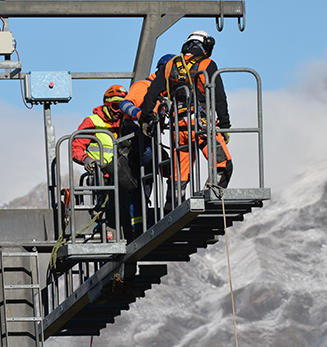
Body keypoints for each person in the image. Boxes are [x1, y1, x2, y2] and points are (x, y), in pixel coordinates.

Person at [140, 30, 233, 195]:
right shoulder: (207, 65)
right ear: (206, 46)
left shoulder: (170, 65)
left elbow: (152, 93)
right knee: (223, 165)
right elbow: (219, 97)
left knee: (179, 175)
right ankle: (211, 197)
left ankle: (172, 206)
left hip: (178, 126)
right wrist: (224, 125)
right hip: (201, 125)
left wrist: (146, 119)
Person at [119, 54, 174, 235]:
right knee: (140, 185)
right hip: (134, 142)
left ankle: (169, 208)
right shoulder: (144, 87)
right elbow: (125, 105)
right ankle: (138, 229)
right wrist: (140, 115)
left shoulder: (163, 95)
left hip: (148, 143)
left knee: (170, 169)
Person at [72, 85, 134, 240]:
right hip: (102, 177)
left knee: (128, 205)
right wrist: (86, 159)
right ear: (106, 104)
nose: (118, 110)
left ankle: (131, 236)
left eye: (122, 107)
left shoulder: (125, 123)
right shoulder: (92, 121)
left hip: (123, 175)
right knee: (108, 211)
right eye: (115, 106)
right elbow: (76, 147)